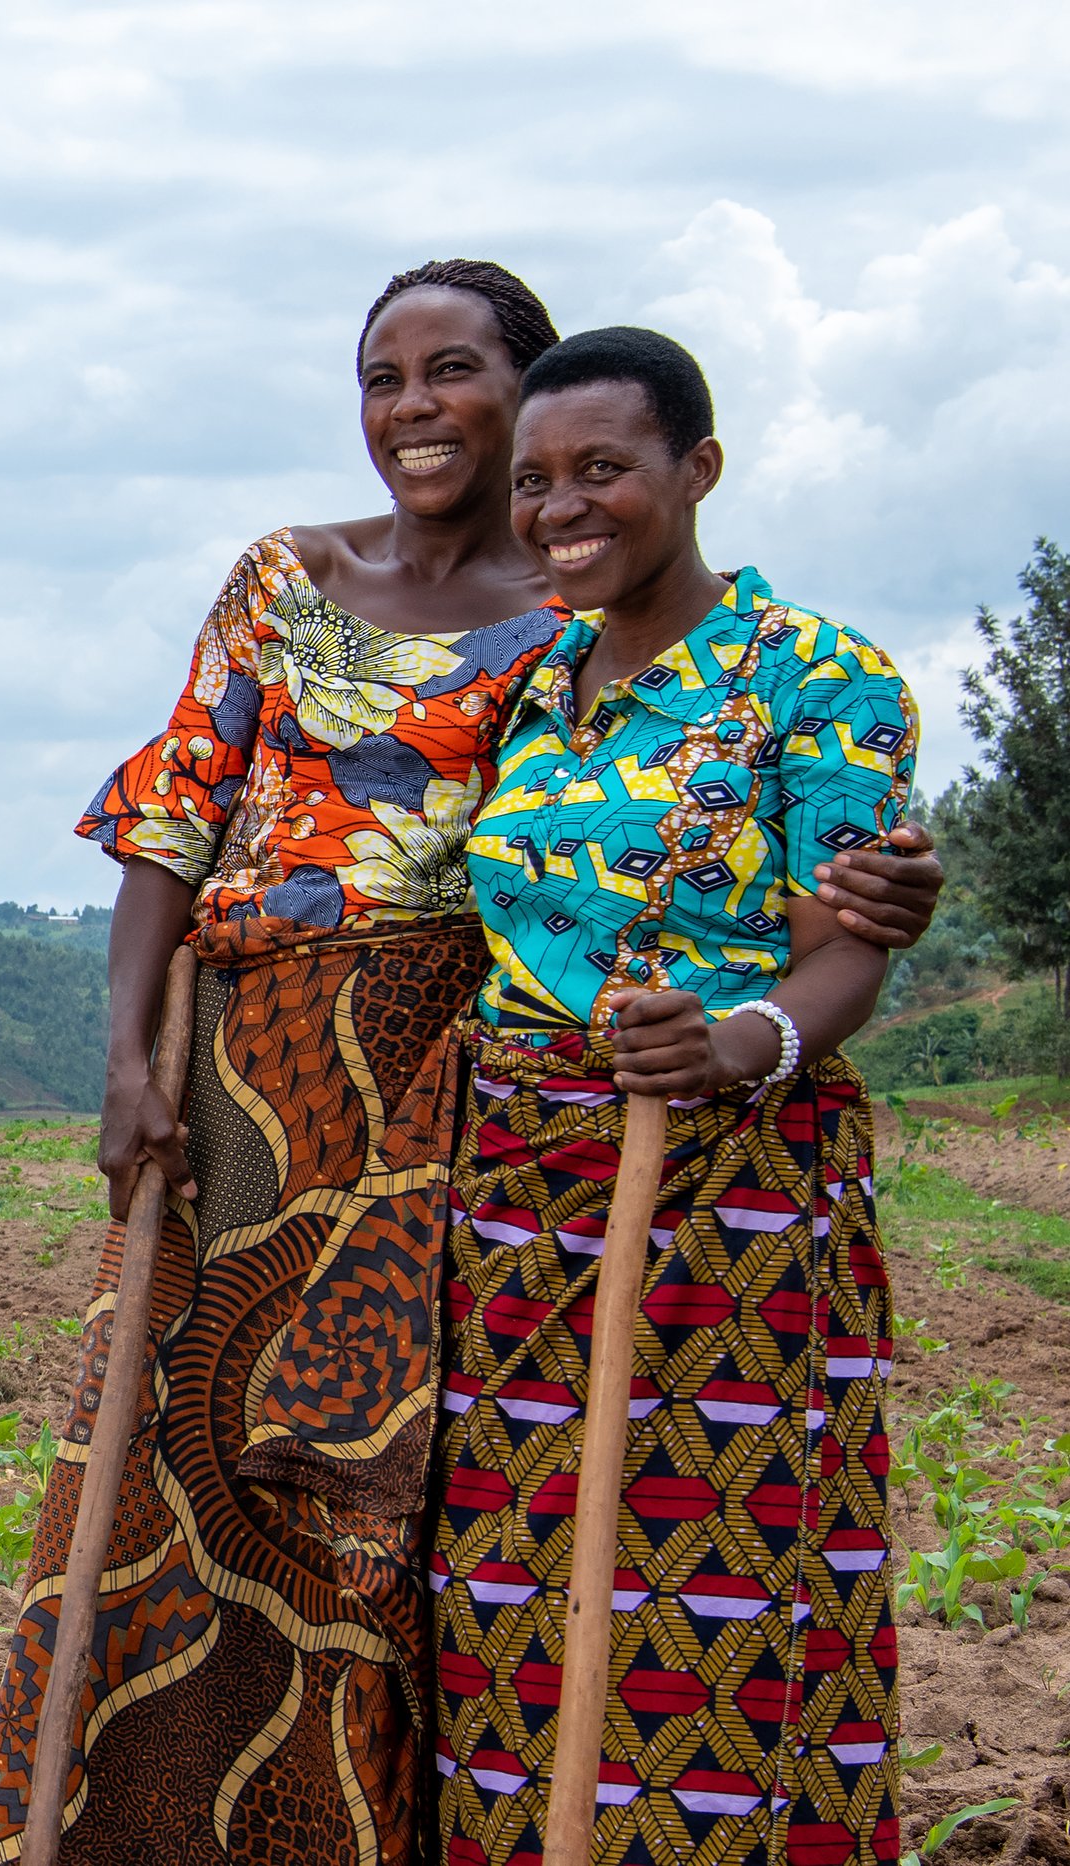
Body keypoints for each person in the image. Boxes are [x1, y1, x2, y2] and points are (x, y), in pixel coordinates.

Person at [0, 273, 940, 1866]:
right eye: (382, 375)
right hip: (347, 1120)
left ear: (676, 460)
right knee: (307, 1506)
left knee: (516, 1531)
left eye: (460, 373)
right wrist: (130, 1055)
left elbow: (828, 906)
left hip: (549, 1134)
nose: (418, 407)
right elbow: (175, 808)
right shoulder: (406, 627)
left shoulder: (680, 647)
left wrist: (825, 957)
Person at [431, 326, 916, 1866]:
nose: (561, 507)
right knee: (509, 1595)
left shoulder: (816, 678)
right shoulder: (526, 688)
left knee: (714, 1587)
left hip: (730, 1201)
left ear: (695, 472)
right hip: (518, 1200)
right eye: (537, 482)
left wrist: (744, 1039)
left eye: (602, 472)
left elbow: (852, 952)